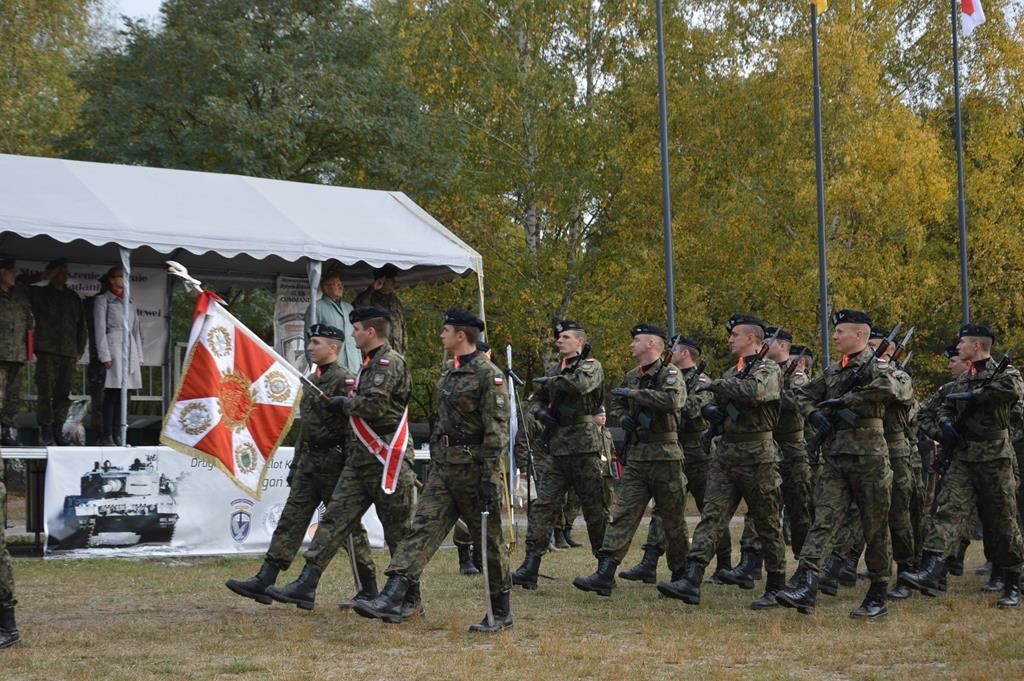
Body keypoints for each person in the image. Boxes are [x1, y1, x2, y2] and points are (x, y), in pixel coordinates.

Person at [353, 308, 512, 633]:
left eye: (446, 330)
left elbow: (497, 430)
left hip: (474, 469)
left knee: (489, 542)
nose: (441, 335)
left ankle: (500, 612)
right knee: (420, 529)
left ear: (461, 336)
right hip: (445, 469)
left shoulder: (488, 375)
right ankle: (393, 594)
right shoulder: (447, 372)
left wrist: (489, 478)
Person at [266, 307, 417, 613]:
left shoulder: (389, 363)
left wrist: (344, 404)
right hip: (360, 460)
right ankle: (307, 582)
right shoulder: (368, 365)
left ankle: (409, 600)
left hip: (386, 458)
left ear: (370, 332)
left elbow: (374, 407)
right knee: (333, 520)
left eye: (357, 329)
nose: (353, 334)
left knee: (398, 533)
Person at [225, 324, 378, 608]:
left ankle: (368, 587)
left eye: (316, 342)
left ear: (333, 347)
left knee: (346, 529)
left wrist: (349, 468)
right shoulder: (310, 379)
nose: (310, 347)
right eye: (310, 341)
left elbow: (353, 428)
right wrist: (296, 463)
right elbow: (306, 427)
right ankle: (266, 577)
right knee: (290, 520)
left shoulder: (345, 381)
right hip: (309, 463)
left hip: (334, 464)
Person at [774, 309, 898, 619]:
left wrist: (846, 401)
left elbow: (889, 389)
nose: (836, 336)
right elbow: (800, 395)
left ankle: (878, 591)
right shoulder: (831, 372)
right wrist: (813, 413)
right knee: (824, 519)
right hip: (835, 457)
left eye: (841, 331)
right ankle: (806, 582)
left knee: (874, 526)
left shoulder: (876, 367)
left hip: (869, 456)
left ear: (860, 335)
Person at [657, 315, 786, 610]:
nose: (730, 339)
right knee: (712, 516)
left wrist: (718, 387)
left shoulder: (768, 368)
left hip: (758, 454)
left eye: (735, 335)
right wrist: (716, 411)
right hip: (727, 453)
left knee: (766, 521)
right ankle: (692, 578)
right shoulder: (732, 371)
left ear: (752, 339)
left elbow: (755, 391)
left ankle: (777, 582)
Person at [900, 323, 1024, 609]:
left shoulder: (1005, 374)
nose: (958, 347)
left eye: (963, 342)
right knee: (948, 511)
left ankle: (1012, 581)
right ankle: (931, 567)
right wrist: (944, 427)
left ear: (978, 346)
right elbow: (942, 406)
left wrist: (974, 396)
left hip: (995, 458)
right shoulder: (960, 382)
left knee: (1003, 521)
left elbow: (1012, 390)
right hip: (964, 457)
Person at [573, 323, 688, 598]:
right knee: (623, 514)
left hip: (665, 455)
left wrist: (638, 395)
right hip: (638, 456)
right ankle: (605, 572)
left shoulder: (670, 373)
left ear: (651, 344)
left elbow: (673, 401)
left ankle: (682, 576)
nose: (631, 345)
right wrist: (624, 417)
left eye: (636, 340)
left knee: (672, 520)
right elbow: (616, 403)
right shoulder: (630, 376)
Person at [618, 334, 729, 585]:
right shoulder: (663, 378)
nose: (670, 352)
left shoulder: (701, 381)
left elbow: (689, 409)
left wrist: (662, 401)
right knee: (664, 510)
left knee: (710, 507)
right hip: (670, 449)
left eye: (675, 349)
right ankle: (649, 561)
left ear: (686, 353)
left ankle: (724, 563)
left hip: (696, 452)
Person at [511, 320, 608, 590]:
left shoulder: (592, 365)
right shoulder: (555, 369)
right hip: (556, 448)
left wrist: (550, 382)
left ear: (580, 341)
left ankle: (604, 568)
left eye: (565, 337)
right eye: (558, 337)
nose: (559, 341)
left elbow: (579, 385)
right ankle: (530, 566)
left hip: (584, 448)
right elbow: (536, 398)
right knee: (543, 506)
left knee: (594, 510)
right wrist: (541, 411)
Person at [29, 258, 87, 446]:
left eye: (65, 271)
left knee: (63, 393)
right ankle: (46, 430)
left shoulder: (73, 297)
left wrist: (79, 350)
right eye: (60, 271)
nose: (64, 274)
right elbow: (21, 285)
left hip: (68, 352)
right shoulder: (39, 294)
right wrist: (43, 276)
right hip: (47, 350)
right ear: (52, 272)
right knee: (46, 391)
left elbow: (81, 327)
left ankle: (58, 429)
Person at [93, 266, 143, 446]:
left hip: (129, 350)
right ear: (112, 279)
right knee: (112, 394)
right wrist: (104, 354)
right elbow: (99, 330)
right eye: (121, 277)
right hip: (113, 347)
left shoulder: (130, 301)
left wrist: (139, 355)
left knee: (124, 395)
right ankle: (107, 435)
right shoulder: (103, 300)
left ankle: (120, 433)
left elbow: (136, 330)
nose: (124, 280)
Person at [0, 257, 33, 446]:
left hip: (17, 355)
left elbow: (29, 322)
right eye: (10, 271)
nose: (14, 275)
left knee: (13, 397)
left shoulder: (19, 296)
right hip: (1, 354)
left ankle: (7, 431)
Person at [303, 270, 361, 372]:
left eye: (341, 284)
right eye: (337, 285)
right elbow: (310, 338)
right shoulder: (317, 307)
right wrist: (313, 363)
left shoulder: (349, 308)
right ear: (325, 287)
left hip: (354, 363)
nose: (341, 287)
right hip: (331, 366)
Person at [352, 265, 406, 355]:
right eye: (390, 279)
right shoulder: (370, 298)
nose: (394, 282)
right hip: (377, 352)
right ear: (382, 280)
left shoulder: (395, 301)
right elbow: (358, 307)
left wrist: (403, 350)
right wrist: (372, 289)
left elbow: (402, 325)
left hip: (396, 351)